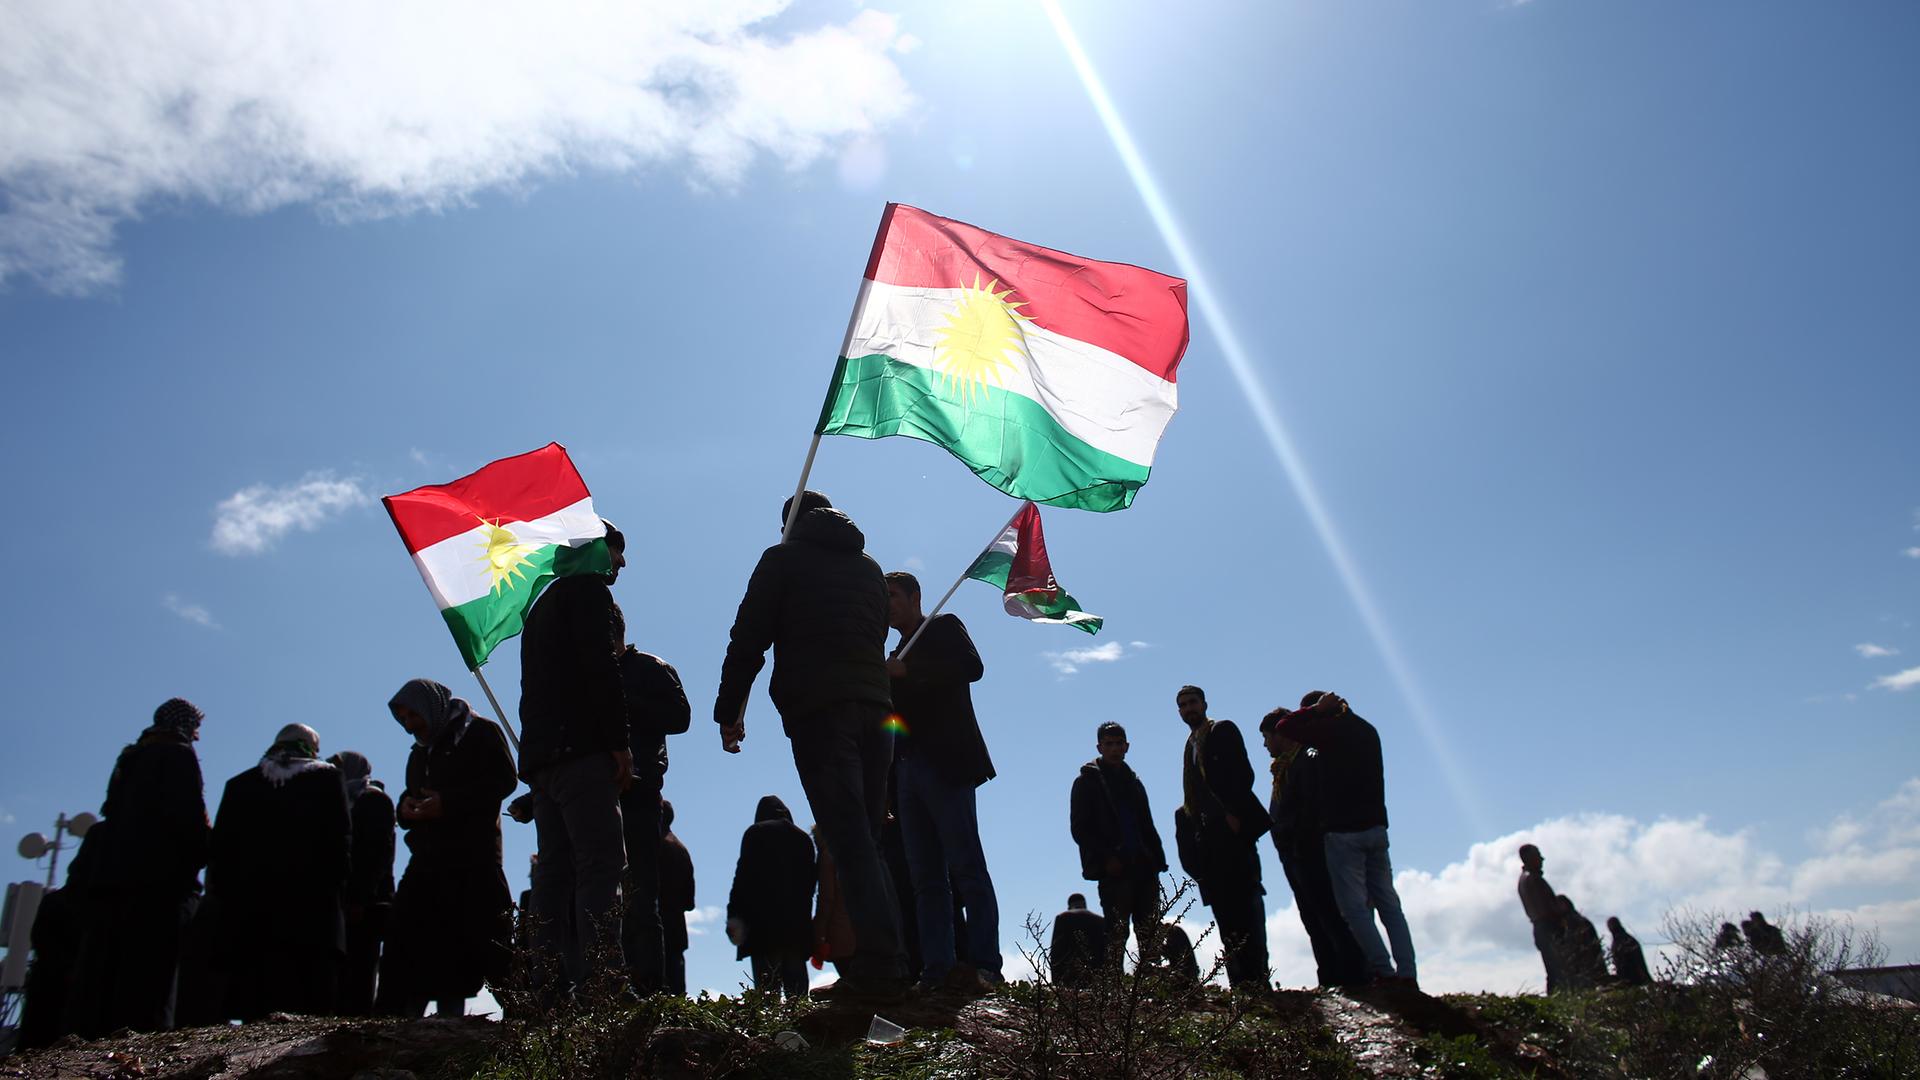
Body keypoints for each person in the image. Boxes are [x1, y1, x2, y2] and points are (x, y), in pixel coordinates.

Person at [712, 490, 907, 1000]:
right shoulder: (869, 568)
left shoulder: (782, 559)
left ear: (789, 525)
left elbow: (748, 636)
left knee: (848, 839)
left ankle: (878, 972)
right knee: (865, 838)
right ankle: (888, 962)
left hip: (821, 709)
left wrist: (729, 709)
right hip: (876, 707)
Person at [519, 520, 631, 998]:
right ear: (594, 551)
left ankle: (541, 984)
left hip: (545, 760)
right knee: (601, 864)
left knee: (554, 873)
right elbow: (601, 670)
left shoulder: (541, 606)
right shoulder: (590, 595)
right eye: (615, 551)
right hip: (582, 751)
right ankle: (603, 982)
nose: (621, 562)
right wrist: (619, 742)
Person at [883, 570, 1002, 991]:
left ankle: (985, 964)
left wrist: (907, 674)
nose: (887, 603)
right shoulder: (892, 651)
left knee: (966, 866)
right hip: (908, 770)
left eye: (892, 595)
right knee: (925, 878)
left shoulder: (943, 627)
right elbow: (892, 723)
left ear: (915, 596)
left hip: (947, 763)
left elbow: (971, 667)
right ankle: (937, 969)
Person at [68, 698, 210, 1035]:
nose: (197, 735)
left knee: (109, 968)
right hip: (160, 882)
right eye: (195, 727)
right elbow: (186, 817)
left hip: (116, 879)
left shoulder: (130, 758)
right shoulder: (178, 755)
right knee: (150, 973)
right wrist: (201, 853)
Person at [378, 679, 518, 1018]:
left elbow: (504, 780)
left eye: (414, 714)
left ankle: (528, 1024)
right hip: (427, 860)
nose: (410, 725)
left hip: (474, 857)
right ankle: (386, 1025)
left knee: (491, 942)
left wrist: (449, 803)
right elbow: (413, 792)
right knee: (406, 943)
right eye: (404, 718)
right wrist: (406, 808)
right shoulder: (419, 752)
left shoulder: (482, 732)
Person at [1268, 691, 1417, 987]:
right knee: (1389, 904)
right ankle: (1408, 973)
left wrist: (1313, 712)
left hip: (1343, 831)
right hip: (1376, 826)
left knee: (1353, 910)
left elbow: (1284, 726)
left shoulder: (1326, 735)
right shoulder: (1367, 730)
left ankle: (1382, 972)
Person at [207, 723, 350, 1020]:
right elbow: (339, 842)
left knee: (253, 1006)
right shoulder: (327, 779)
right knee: (305, 1006)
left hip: (249, 914)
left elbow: (221, 850)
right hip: (310, 912)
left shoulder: (241, 784)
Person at [1170, 685, 1271, 991]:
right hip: (1209, 843)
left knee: (1247, 910)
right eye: (1183, 705)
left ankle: (1259, 980)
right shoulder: (1190, 745)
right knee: (1226, 917)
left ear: (1204, 704)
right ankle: (1241, 983)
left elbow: (1242, 774)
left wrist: (1233, 813)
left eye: (1193, 703)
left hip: (1232, 835)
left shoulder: (1222, 731)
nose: (1189, 709)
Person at [1261, 708, 1367, 989]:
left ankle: (1351, 974)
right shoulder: (1284, 768)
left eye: (1267, 737)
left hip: (1308, 852)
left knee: (1327, 913)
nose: (1265, 744)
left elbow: (1307, 808)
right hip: (1294, 854)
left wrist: (1294, 839)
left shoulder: (1305, 762)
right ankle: (1331, 974)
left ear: (1279, 734)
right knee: (1312, 916)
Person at [618, 644, 691, 994]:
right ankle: (609, 985)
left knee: (642, 896)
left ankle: (650, 988)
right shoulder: (590, 670)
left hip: (639, 790)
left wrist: (625, 704)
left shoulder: (651, 667)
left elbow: (680, 717)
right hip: (599, 792)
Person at [1069, 721, 1167, 967]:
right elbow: (1081, 829)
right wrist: (1106, 858)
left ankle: (1152, 987)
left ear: (1127, 746)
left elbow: (1146, 823)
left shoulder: (1133, 781)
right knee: (1116, 932)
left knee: (1149, 931)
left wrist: (1157, 858)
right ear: (1100, 747)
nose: (1114, 749)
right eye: (1109, 744)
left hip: (1144, 865)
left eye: (1118, 744)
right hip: (1114, 869)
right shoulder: (1087, 782)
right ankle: (1114, 991)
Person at [726, 795, 817, 999]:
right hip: (797, 931)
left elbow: (742, 881)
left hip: (763, 931)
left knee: (767, 1001)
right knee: (798, 1000)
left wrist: (733, 917)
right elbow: (811, 886)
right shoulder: (803, 839)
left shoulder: (755, 833)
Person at [330, 749, 394, 1016]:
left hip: (367, 901)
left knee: (360, 965)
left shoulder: (372, 801)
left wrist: (359, 896)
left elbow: (375, 853)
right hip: (343, 898)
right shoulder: (340, 802)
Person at [658, 799, 696, 997]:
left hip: (653, 922)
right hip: (676, 923)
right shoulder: (681, 849)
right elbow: (689, 901)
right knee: (676, 983)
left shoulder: (650, 847)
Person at [1516, 844, 1565, 994]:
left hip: (1542, 928)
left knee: (1554, 970)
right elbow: (1548, 908)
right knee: (1559, 971)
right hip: (1548, 928)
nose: (1542, 859)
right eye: (1538, 855)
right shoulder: (1533, 880)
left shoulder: (1525, 880)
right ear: (1530, 858)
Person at [1049, 893, 1108, 989]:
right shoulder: (1100, 920)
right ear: (1085, 904)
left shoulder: (1063, 918)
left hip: (1069, 976)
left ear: (1069, 906)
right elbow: (1105, 952)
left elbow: (1056, 950)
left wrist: (1056, 980)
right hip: (1095, 978)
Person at [1555, 895, 1607, 990]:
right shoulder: (1572, 921)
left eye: (1559, 904)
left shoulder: (1574, 921)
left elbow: (1583, 944)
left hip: (1586, 966)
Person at [1607, 916, 1652, 986]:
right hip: (1628, 978)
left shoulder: (1625, 940)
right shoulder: (1624, 940)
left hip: (1634, 976)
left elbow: (1638, 961)